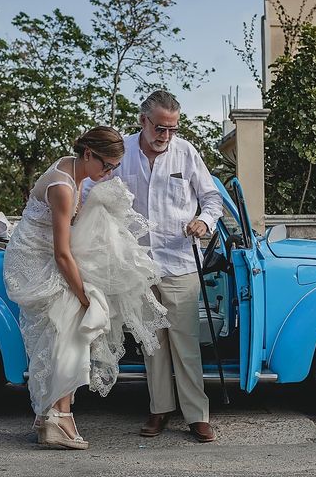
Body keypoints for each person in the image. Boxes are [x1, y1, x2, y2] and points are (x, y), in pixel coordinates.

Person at [3, 126, 169, 450]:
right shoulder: (63, 186)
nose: (107, 174)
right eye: (106, 165)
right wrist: (82, 298)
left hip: (49, 254)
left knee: (66, 332)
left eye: (114, 169)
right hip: (33, 262)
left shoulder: (75, 169)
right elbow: (62, 254)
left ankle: (52, 414)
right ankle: (57, 418)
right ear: (88, 154)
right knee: (74, 323)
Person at [83, 91, 223, 442]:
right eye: (160, 128)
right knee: (152, 344)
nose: (166, 135)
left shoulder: (187, 152)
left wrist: (204, 222)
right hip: (137, 266)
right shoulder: (121, 153)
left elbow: (212, 199)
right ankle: (159, 409)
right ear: (143, 121)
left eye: (173, 129)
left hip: (180, 263)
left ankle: (197, 415)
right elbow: (88, 188)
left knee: (185, 344)